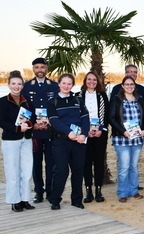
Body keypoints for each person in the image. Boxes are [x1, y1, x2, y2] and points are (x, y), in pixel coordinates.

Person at [47, 74, 90, 210]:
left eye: (69, 84)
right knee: (61, 170)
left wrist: (83, 134)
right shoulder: (52, 101)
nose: (66, 86)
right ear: (59, 84)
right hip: (61, 141)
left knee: (78, 170)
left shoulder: (78, 99)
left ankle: (76, 200)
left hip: (78, 141)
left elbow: (85, 118)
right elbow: (54, 120)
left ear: (72, 85)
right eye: (63, 83)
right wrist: (68, 132)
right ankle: (55, 200)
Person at [22, 57, 58, 203]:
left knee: (50, 163)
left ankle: (50, 192)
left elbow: (56, 108)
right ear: (33, 69)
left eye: (42, 67)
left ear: (46, 69)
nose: (40, 70)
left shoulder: (54, 86)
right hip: (35, 132)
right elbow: (24, 109)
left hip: (50, 131)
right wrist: (32, 124)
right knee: (36, 163)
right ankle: (39, 192)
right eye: (37, 67)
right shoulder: (26, 86)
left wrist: (51, 122)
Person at [109, 76, 144, 203]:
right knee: (124, 167)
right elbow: (112, 118)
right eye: (127, 84)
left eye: (132, 84)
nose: (129, 86)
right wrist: (123, 131)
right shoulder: (117, 99)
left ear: (134, 86)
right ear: (122, 86)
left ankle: (134, 190)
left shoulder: (139, 99)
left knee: (134, 166)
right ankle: (122, 192)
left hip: (137, 139)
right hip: (122, 139)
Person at [0, 71, 35, 212]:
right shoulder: (2, 101)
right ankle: (14, 201)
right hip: (11, 140)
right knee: (12, 171)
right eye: (13, 84)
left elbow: (32, 118)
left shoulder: (26, 101)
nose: (16, 86)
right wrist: (17, 128)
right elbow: (1, 122)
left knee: (26, 171)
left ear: (22, 86)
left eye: (19, 84)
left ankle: (25, 199)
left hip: (26, 139)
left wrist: (29, 124)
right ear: (9, 85)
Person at [78, 72, 109, 203]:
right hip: (85, 134)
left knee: (98, 162)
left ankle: (98, 190)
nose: (92, 82)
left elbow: (106, 115)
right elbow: (77, 116)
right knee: (86, 162)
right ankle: (88, 191)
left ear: (98, 82)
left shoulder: (102, 96)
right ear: (85, 81)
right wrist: (86, 131)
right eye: (89, 79)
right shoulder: (78, 96)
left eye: (94, 80)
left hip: (99, 134)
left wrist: (100, 129)